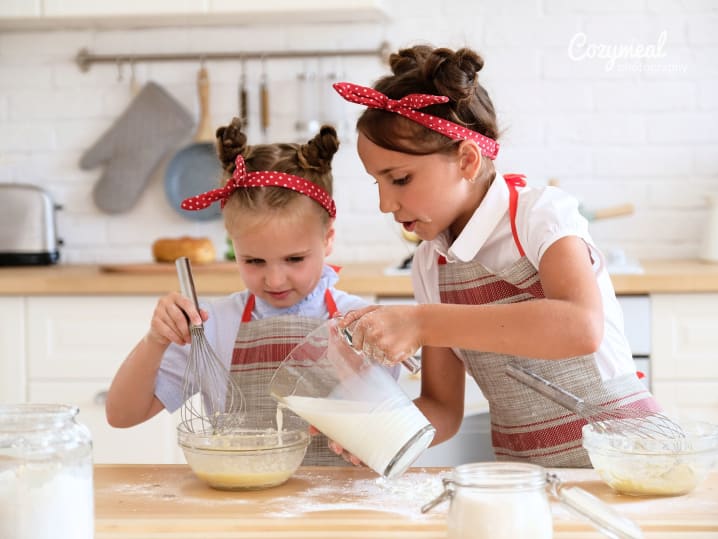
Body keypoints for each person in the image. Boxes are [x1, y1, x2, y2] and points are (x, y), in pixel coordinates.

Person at [332, 45, 663, 467]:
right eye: (376, 183)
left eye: (399, 179)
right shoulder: (431, 264)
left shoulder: (539, 216)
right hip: (525, 478)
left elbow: (580, 326)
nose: (385, 204)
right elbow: (442, 409)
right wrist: (373, 431)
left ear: (467, 160)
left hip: (626, 464)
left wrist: (421, 322)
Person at [105, 119, 371, 465]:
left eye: (294, 259)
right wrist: (155, 341)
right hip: (237, 507)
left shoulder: (361, 323)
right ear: (233, 247)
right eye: (254, 260)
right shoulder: (212, 326)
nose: (274, 280)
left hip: (333, 509)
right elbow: (122, 415)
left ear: (328, 239)